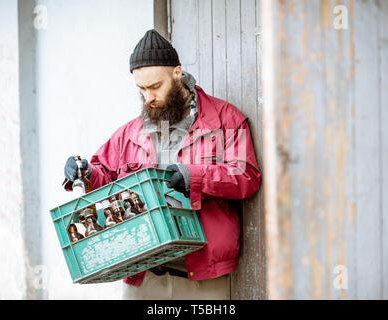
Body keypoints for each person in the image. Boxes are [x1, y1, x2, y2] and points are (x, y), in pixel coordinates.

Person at [63, 29, 261, 299]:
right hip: (144, 276)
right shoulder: (129, 133)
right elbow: (104, 177)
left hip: (205, 280)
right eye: (141, 89)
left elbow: (246, 177)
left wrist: (194, 177)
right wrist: (84, 173)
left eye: (155, 86)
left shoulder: (226, 120)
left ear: (177, 73)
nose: (148, 98)